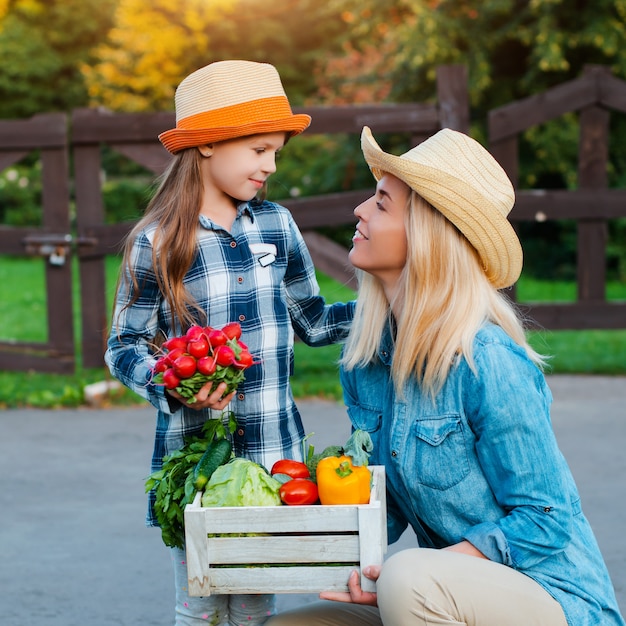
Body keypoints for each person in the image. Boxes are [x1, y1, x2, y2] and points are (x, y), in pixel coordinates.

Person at [265, 127, 625, 626]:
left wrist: (422, 574)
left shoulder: (488, 360)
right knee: (294, 625)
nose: (360, 212)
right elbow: (385, 511)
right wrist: (295, 518)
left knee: (409, 578)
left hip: (555, 598)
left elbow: (546, 520)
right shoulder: (367, 360)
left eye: (383, 204)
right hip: (441, 589)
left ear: (429, 233)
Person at [105, 60, 354, 626]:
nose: (270, 166)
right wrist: (171, 384)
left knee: (255, 607)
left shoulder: (277, 226)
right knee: (200, 604)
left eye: (275, 153)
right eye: (260, 149)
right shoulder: (157, 241)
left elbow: (312, 321)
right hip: (193, 464)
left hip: (272, 460)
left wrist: (391, 315)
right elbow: (125, 344)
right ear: (210, 145)